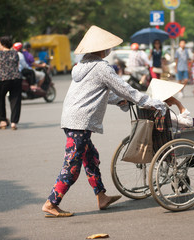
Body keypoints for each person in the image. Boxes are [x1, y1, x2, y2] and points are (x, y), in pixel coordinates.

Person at [41, 25, 166, 218]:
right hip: (80, 122)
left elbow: (98, 94)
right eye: (107, 47)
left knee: (91, 158)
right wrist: (148, 102)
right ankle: (51, 202)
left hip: (72, 119)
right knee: (72, 166)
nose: (109, 50)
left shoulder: (81, 66)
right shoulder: (101, 67)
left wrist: (119, 101)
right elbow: (125, 89)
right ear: (101, 49)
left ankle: (101, 196)